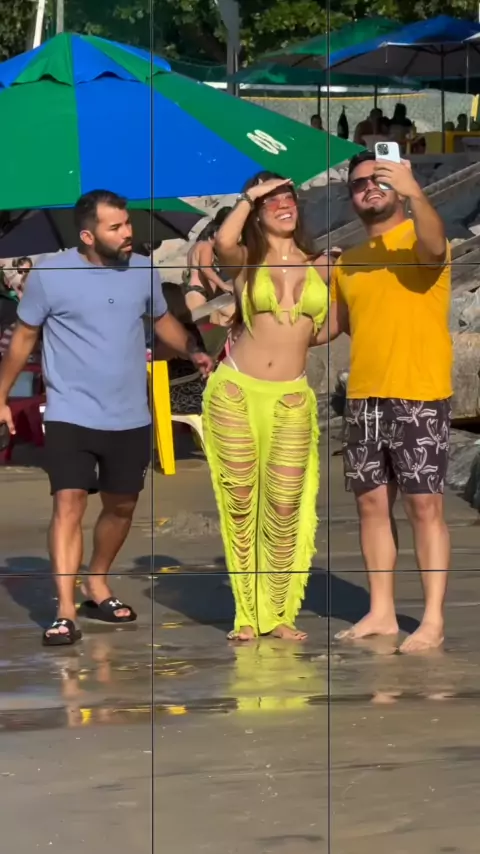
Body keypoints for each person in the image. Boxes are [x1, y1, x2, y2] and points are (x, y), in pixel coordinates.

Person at [0, 189, 213, 647]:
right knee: (69, 501)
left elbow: (161, 321)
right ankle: (64, 611)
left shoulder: (143, 270)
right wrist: (1, 395)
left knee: (121, 507)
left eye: (127, 223)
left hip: (130, 413)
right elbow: (23, 338)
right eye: (115, 227)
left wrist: (192, 348)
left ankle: (96, 582)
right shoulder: (50, 275)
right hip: (70, 411)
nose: (127, 233)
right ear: (87, 235)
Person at [318, 151, 452, 654]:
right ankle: (381, 611)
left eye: (379, 180)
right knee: (371, 505)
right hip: (364, 397)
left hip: (419, 393)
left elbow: (435, 246)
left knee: (424, 505)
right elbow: (331, 327)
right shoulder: (348, 261)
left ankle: (433, 619)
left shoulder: (421, 239)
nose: (369, 188)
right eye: (359, 184)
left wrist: (415, 190)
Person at [203, 171, 330, 642]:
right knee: (240, 503)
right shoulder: (245, 260)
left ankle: (277, 614)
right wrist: (248, 196)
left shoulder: (322, 264)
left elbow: (330, 326)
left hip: (291, 396)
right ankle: (246, 614)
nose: (282, 204)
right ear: (256, 211)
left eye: (288, 196)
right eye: (270, 200)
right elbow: (223, 241)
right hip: (236, 392)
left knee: (284, 504)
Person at [182, 207, 234, 326]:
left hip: (196, 291)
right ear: (215, 234)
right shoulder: (206, 246)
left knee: (208, 326)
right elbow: (206, 269)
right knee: (203, 327)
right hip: (197, 292)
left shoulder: (197, 246)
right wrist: (224, 286)